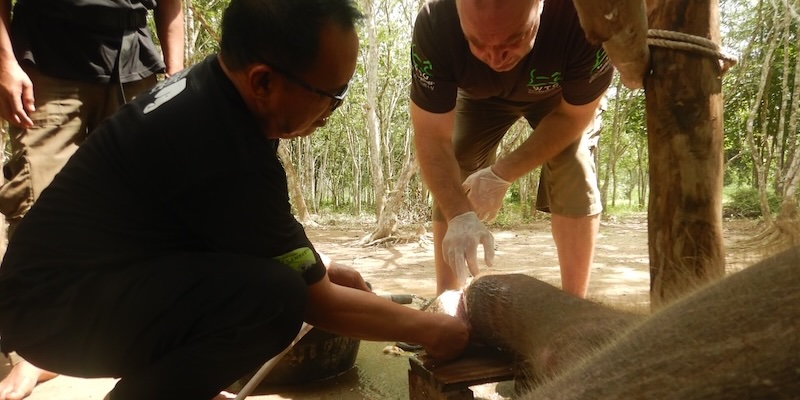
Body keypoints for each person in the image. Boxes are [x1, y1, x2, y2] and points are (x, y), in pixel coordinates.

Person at [0, 0, 469, 399]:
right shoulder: (221, 144)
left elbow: (246, 230)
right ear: (264, 81)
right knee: (274, 301)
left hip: (63, 293)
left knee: (280, 283)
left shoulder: (217, 93)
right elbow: (319, 304)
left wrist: (320, 267)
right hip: (54, 315)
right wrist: (431, 329)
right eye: (332, 95)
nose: (332, 111)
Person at [0, 0, 184, 398]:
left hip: (134, 58)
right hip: (45, 59)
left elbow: (173, 4)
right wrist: (5, 62)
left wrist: (177, 76)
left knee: (147, 208)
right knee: (38, 203)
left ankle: (138, 339)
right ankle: (35, 351)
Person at [410, 0, 613, 297]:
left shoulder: (584, 17)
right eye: (476, 42)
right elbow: (431, 136)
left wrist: (502, 173)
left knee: (574, 162)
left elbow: (573, 117)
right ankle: (447, 301)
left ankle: (574, 305)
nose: (495, 57)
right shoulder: (435, 22)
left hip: (560, 99)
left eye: (514, 39)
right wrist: (458, 214)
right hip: (479, 97)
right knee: (457, 153)